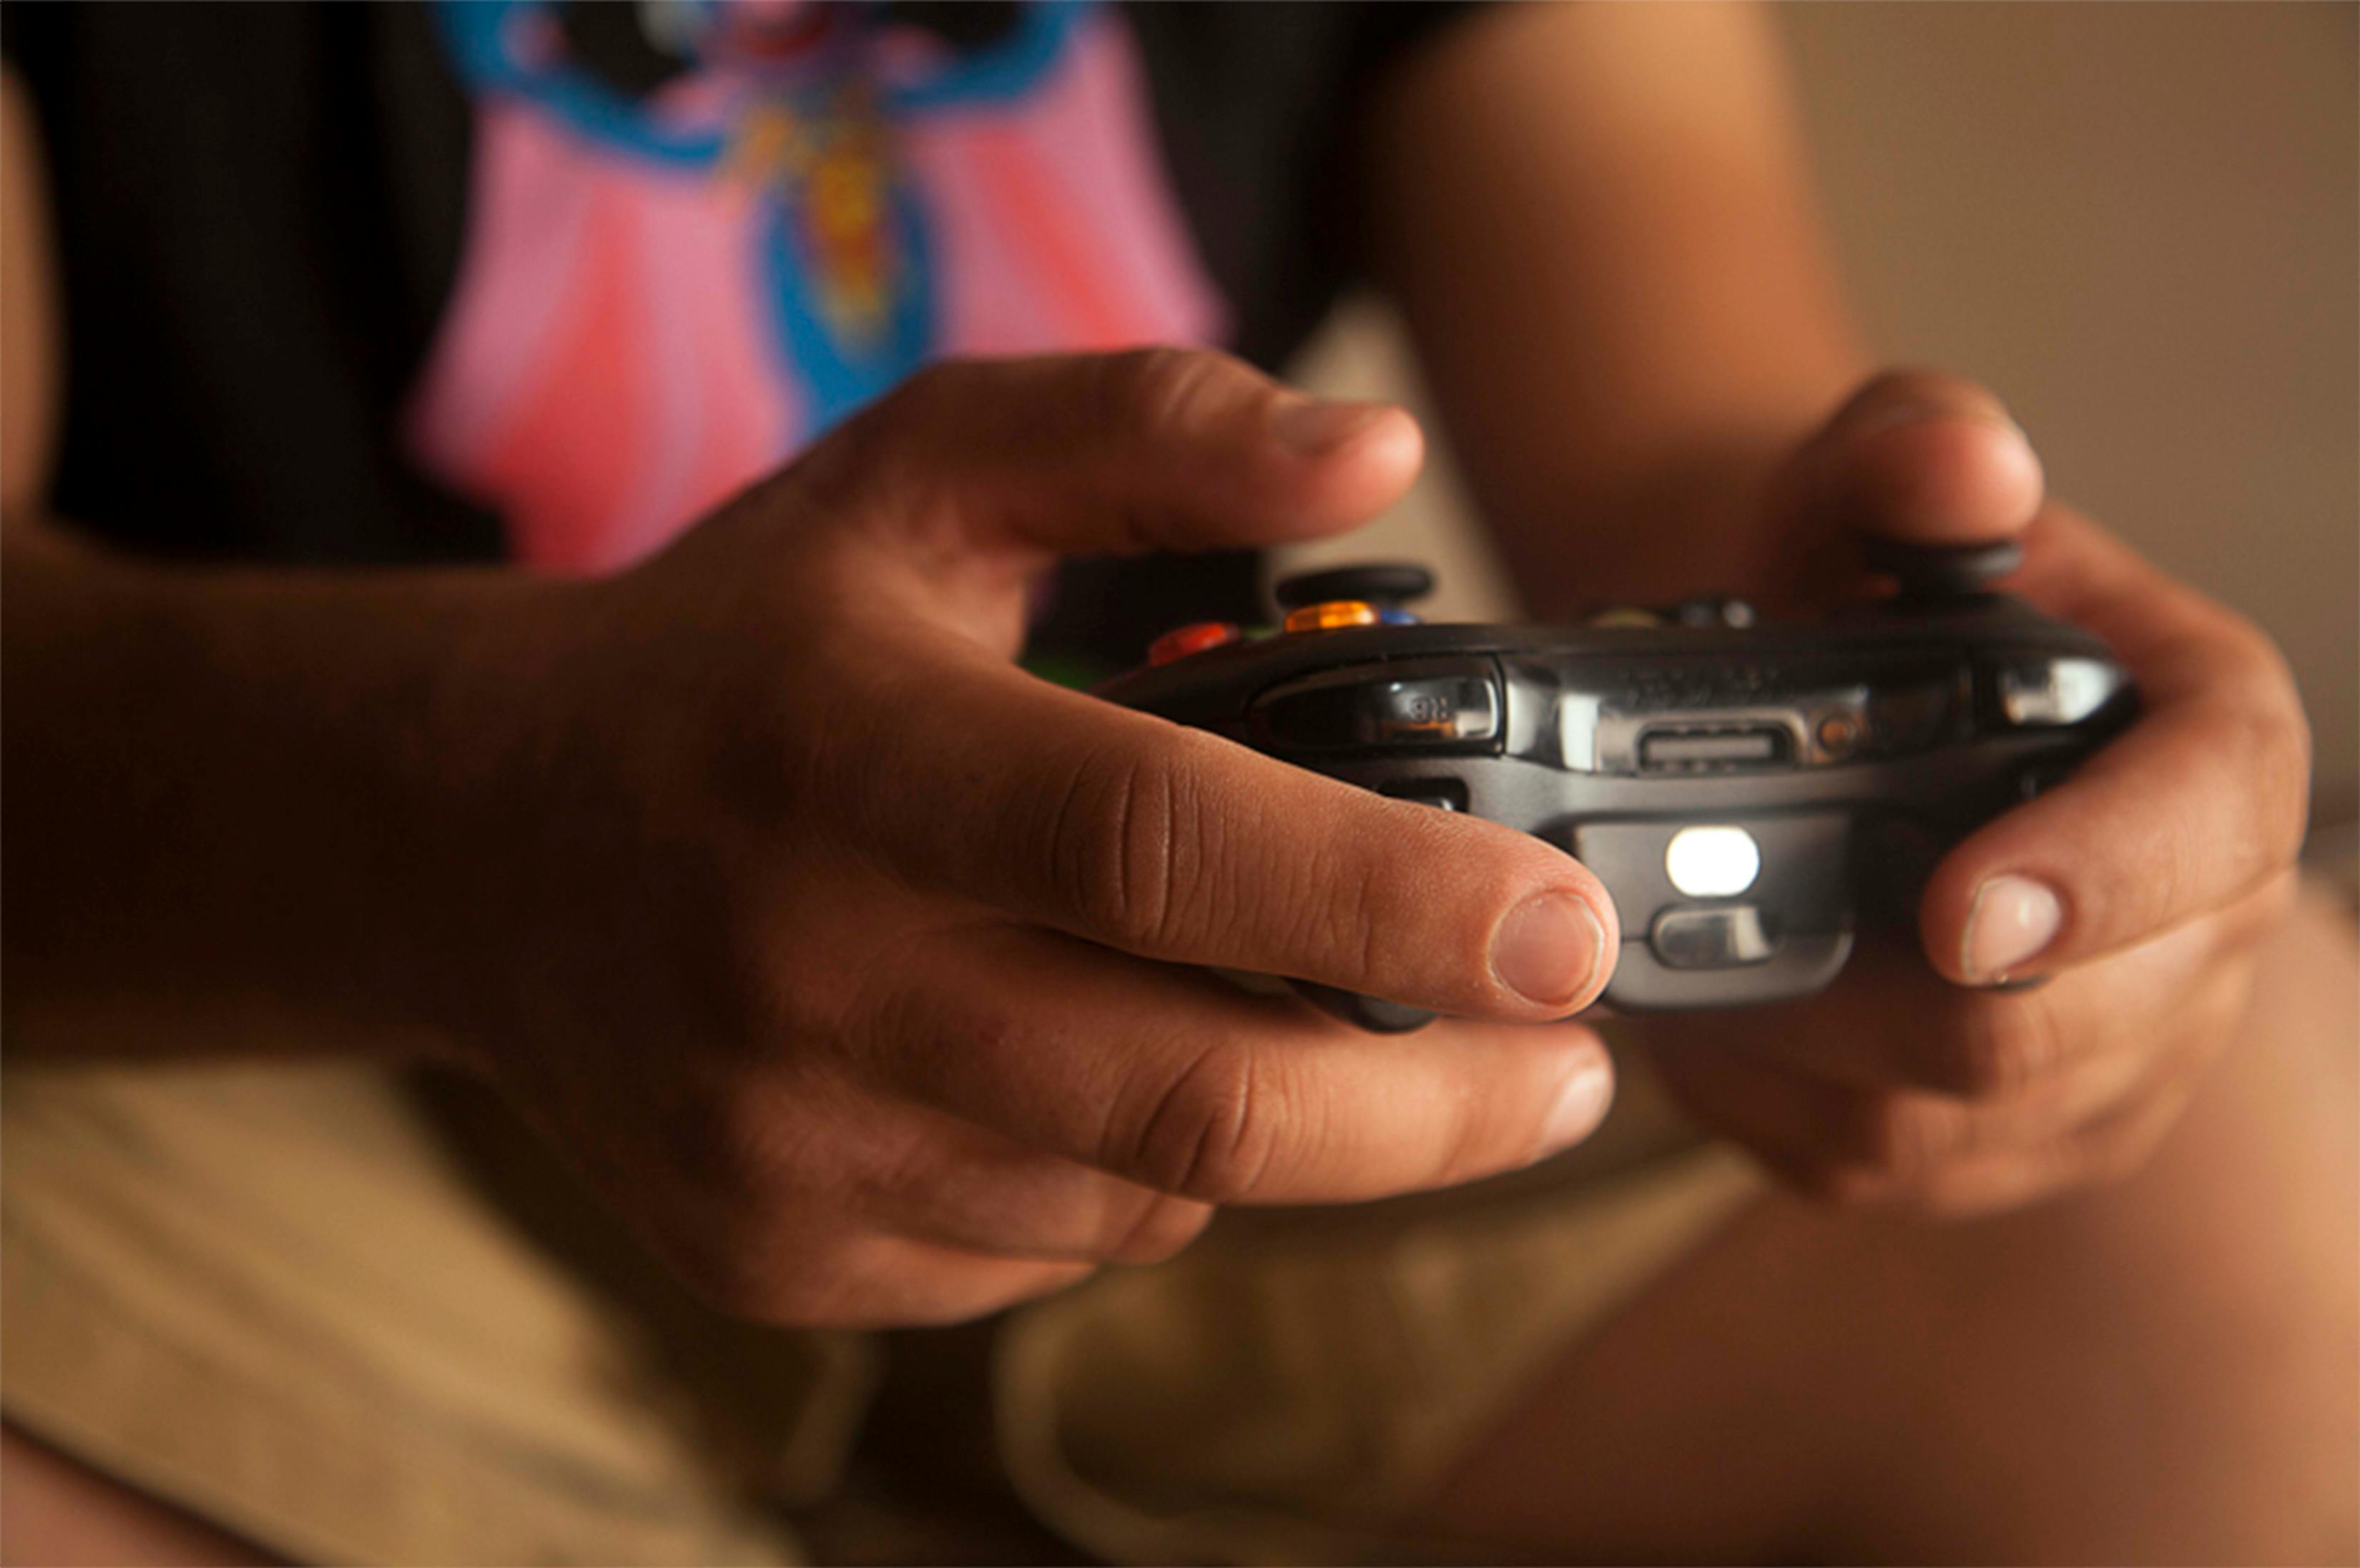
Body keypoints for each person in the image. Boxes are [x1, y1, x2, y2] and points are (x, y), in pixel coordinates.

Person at [2, 3, 2351, 1563]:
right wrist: (491, 816)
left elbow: (1691, 470)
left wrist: (1927, 703)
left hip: (1256, 1000)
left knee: (2261, 1110)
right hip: (275, 1005)